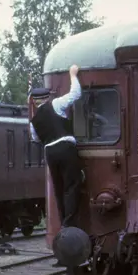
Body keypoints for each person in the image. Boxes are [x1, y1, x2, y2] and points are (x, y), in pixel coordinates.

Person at [28, 64, 85, 232]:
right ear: (47, 97)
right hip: (65, 147)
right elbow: (76, 94)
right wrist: (72, 74)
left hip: (50, 152)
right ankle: (70, 223)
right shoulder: (56, 104)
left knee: (59, 188)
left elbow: (36, 138)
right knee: (72, 184)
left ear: (35, 101)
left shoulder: (34, 120)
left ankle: (63, 225)